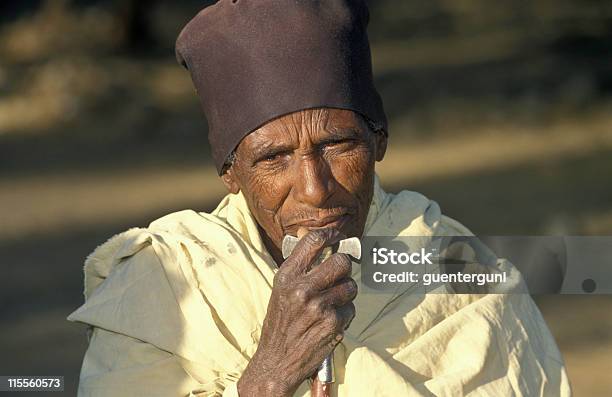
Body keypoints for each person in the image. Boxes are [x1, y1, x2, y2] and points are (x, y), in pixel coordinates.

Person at [68, 1, 571, 396]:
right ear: (230, 173)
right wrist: (268, 376)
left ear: (379, 143)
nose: (315, 188)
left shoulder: (458, 273)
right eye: (273, 159)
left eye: (337, 144)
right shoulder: (162, 287)